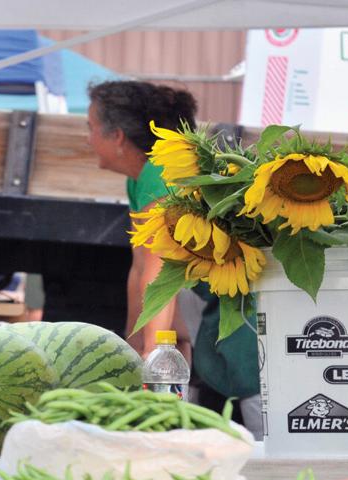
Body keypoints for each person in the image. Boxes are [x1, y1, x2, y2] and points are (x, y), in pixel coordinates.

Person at [86, 80, 260, 430]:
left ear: (118, 137)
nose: (87, 139)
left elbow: (157, 269)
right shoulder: (140, 178)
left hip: (238, 300)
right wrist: (132, 347)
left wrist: (151, 355)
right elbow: (139, 267)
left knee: (256, 406)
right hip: (208, 302)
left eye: (90, 128)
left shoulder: (159, 173)